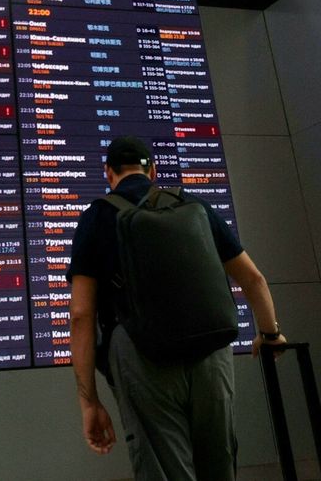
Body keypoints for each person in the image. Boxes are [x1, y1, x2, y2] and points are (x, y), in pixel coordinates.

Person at [69, 135, 287, 480]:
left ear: (108, 173)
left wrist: (89, 401)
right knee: (219, 461)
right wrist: (270, 333)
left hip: (142, 358)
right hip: (210, 353)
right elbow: (253, 279)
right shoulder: (194, 205)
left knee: (165, 468)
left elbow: (81, 315)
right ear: (152, 170)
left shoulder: (96, 217)